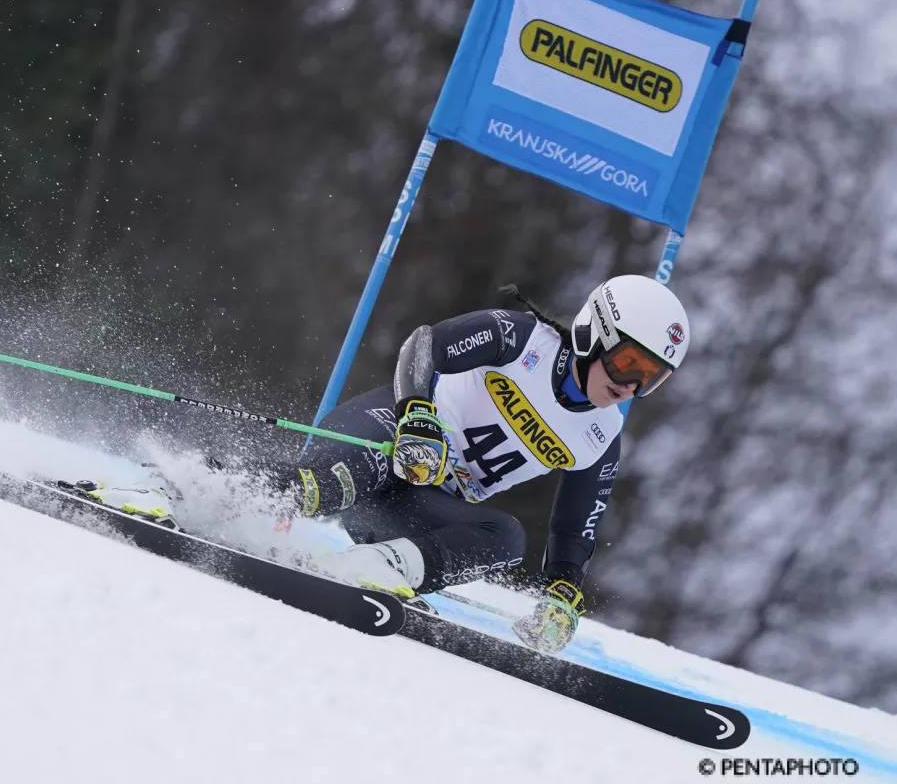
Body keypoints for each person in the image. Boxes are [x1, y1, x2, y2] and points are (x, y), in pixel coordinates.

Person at [84, 274, 690, 655]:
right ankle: (177, 487)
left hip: (415, 503)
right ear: (593, 333)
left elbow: (574, 528)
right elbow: (424, 345)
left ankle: (374, 568)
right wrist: (419, 416)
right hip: (386, 438)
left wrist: (563, 591)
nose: (631, 387)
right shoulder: (521, 338)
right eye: (628, 366)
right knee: (347, 476)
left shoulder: (600, 435)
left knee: (505, 535)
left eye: (651, 380)